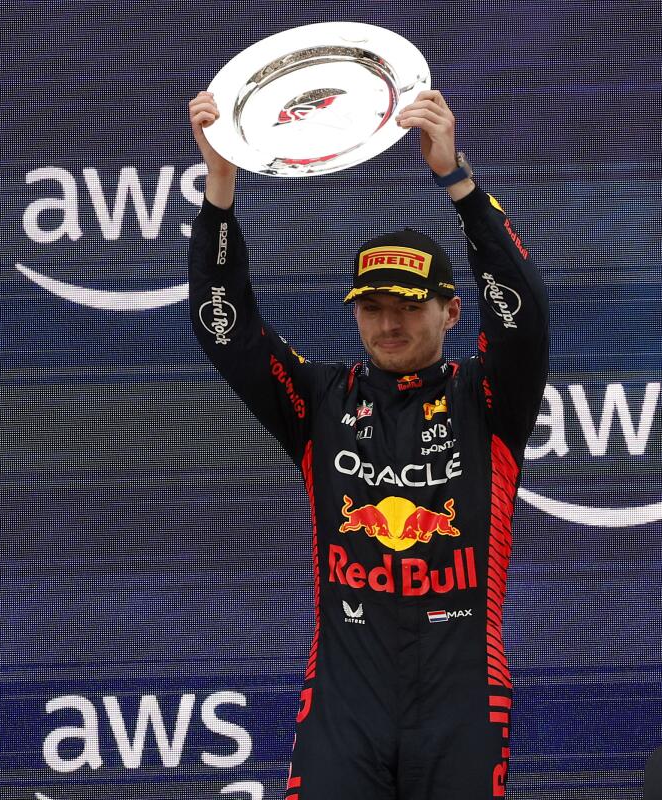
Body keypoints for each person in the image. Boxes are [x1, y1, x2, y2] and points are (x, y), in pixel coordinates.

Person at [187, 89, 547, 800]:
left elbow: (523, 312)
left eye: (408, 308)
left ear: (449, 310)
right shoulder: (320, 400)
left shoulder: (489, 399)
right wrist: (220, 191)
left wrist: (460, 182)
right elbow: (224, 329)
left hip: (464, 698)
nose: (389, 325)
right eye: (372, 308)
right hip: (345, 706)